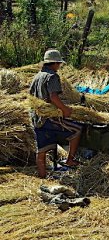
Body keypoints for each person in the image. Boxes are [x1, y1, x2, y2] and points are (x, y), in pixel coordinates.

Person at [29, 49, 82, 178]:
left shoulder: (37, 77)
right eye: (59, 64)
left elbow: (31, 96)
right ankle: (70, 159)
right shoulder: (52, 76)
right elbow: (53, 96)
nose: (59, 67)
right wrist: (65, 110)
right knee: (78, 130)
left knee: (41, 152)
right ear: (54, 63)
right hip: (48, 118)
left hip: (36, 118)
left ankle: (42, 178)